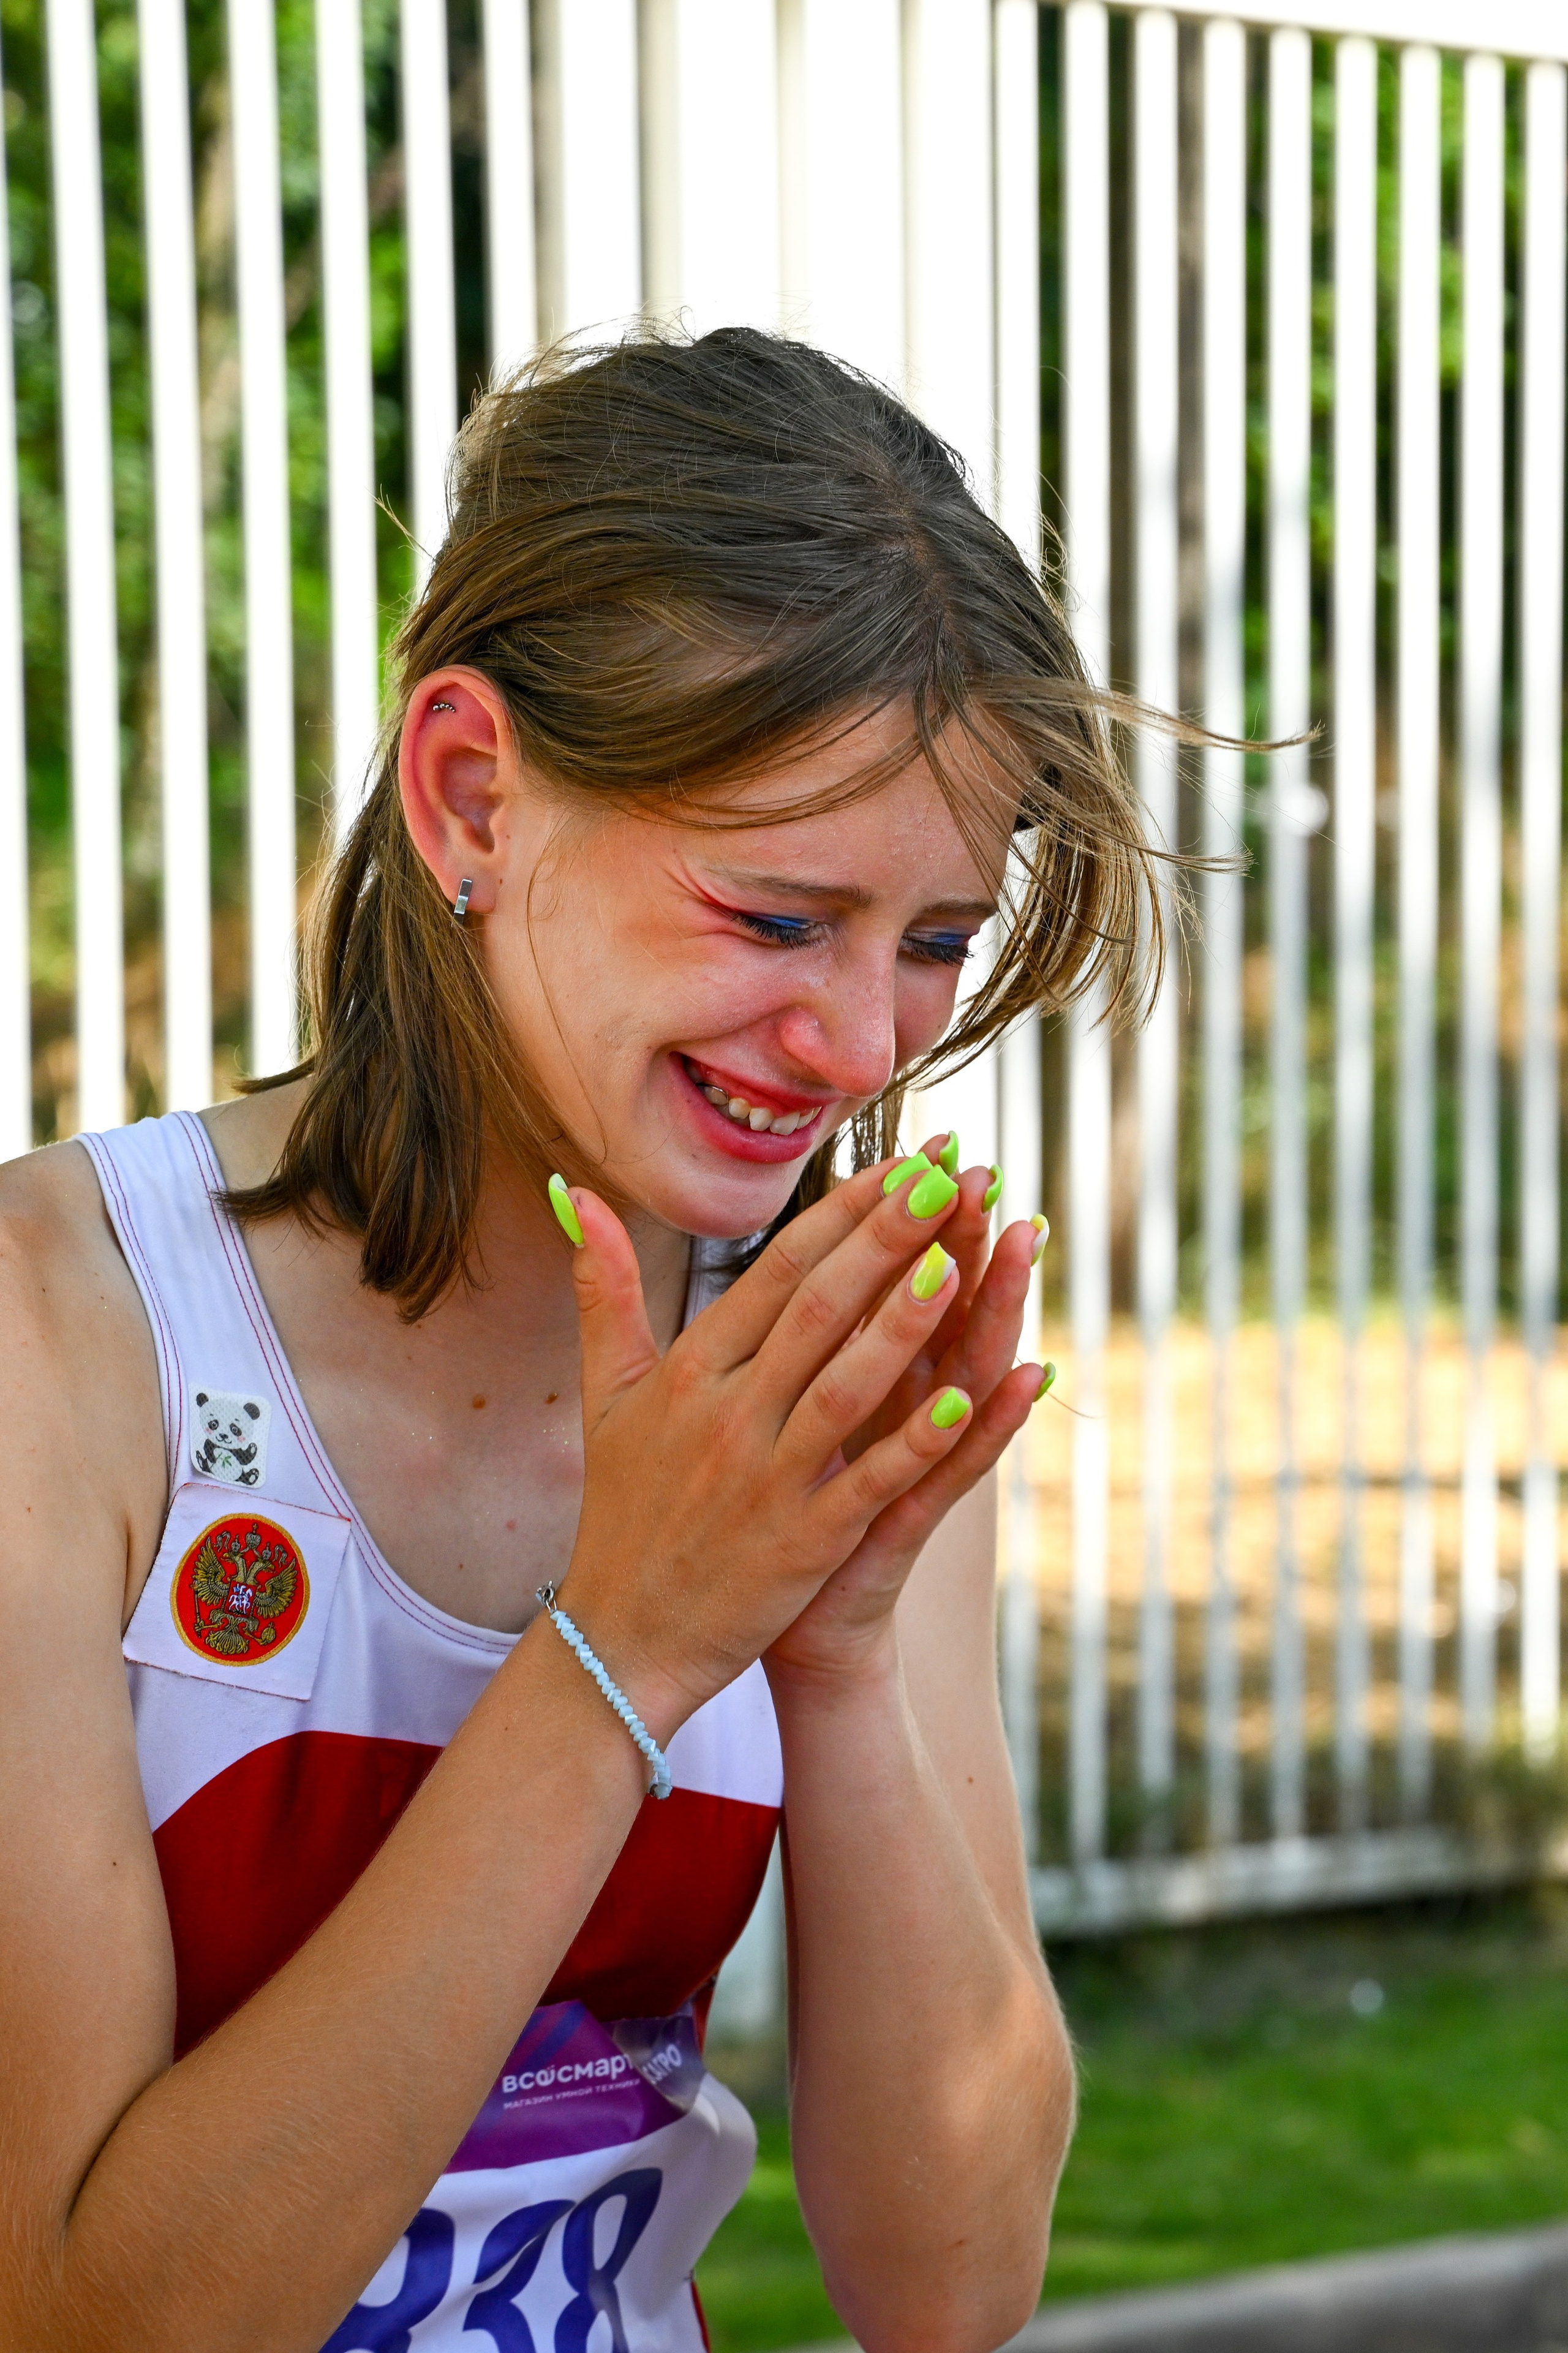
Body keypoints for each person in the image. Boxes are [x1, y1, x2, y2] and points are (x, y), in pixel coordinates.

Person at [0, 330, 1156, 2353]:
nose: (868, 1045)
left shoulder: (814, 1366)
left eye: (936, 938)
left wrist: (845, 1653)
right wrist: (620, 1652)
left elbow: (951, 2286)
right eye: (779, 917)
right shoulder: (61, 1338)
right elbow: (89, 2316)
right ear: (470, 793)